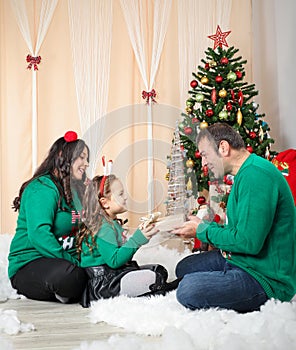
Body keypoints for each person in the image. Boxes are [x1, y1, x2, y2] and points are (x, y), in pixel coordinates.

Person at [172, 123, 296, 313]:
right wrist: (201, 226)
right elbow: (238, 230)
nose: (203, 164)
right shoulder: (245, 173)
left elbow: (248, 242)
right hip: (241, 260)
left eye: (205, 155)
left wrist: (202, 231)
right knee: (184, 268)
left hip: (266, 277)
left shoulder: (256, 176)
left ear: (223, 147)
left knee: (188, 289)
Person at [8, 131, 89, 304]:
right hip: (31, 263)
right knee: (69, 276)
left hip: (68, 260)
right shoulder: (42, 188)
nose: (86, 164)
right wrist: (76, 262)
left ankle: (108, 282)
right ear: (62, 156)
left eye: (87, 159)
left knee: (100, 265)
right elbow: (39, 235)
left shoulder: (75, 190)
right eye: (81, 158)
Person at [77, 173, 179, 307]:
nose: (125, 197)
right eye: (120, 194)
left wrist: (144, 236)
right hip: (104, 283)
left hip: (114, 275)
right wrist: (136, 240)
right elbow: (114, 261)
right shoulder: (103, 227)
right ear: (104, 202)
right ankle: (162, 290)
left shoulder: (112, 223)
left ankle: (158, 288)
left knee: (159, 270)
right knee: (154, 278)